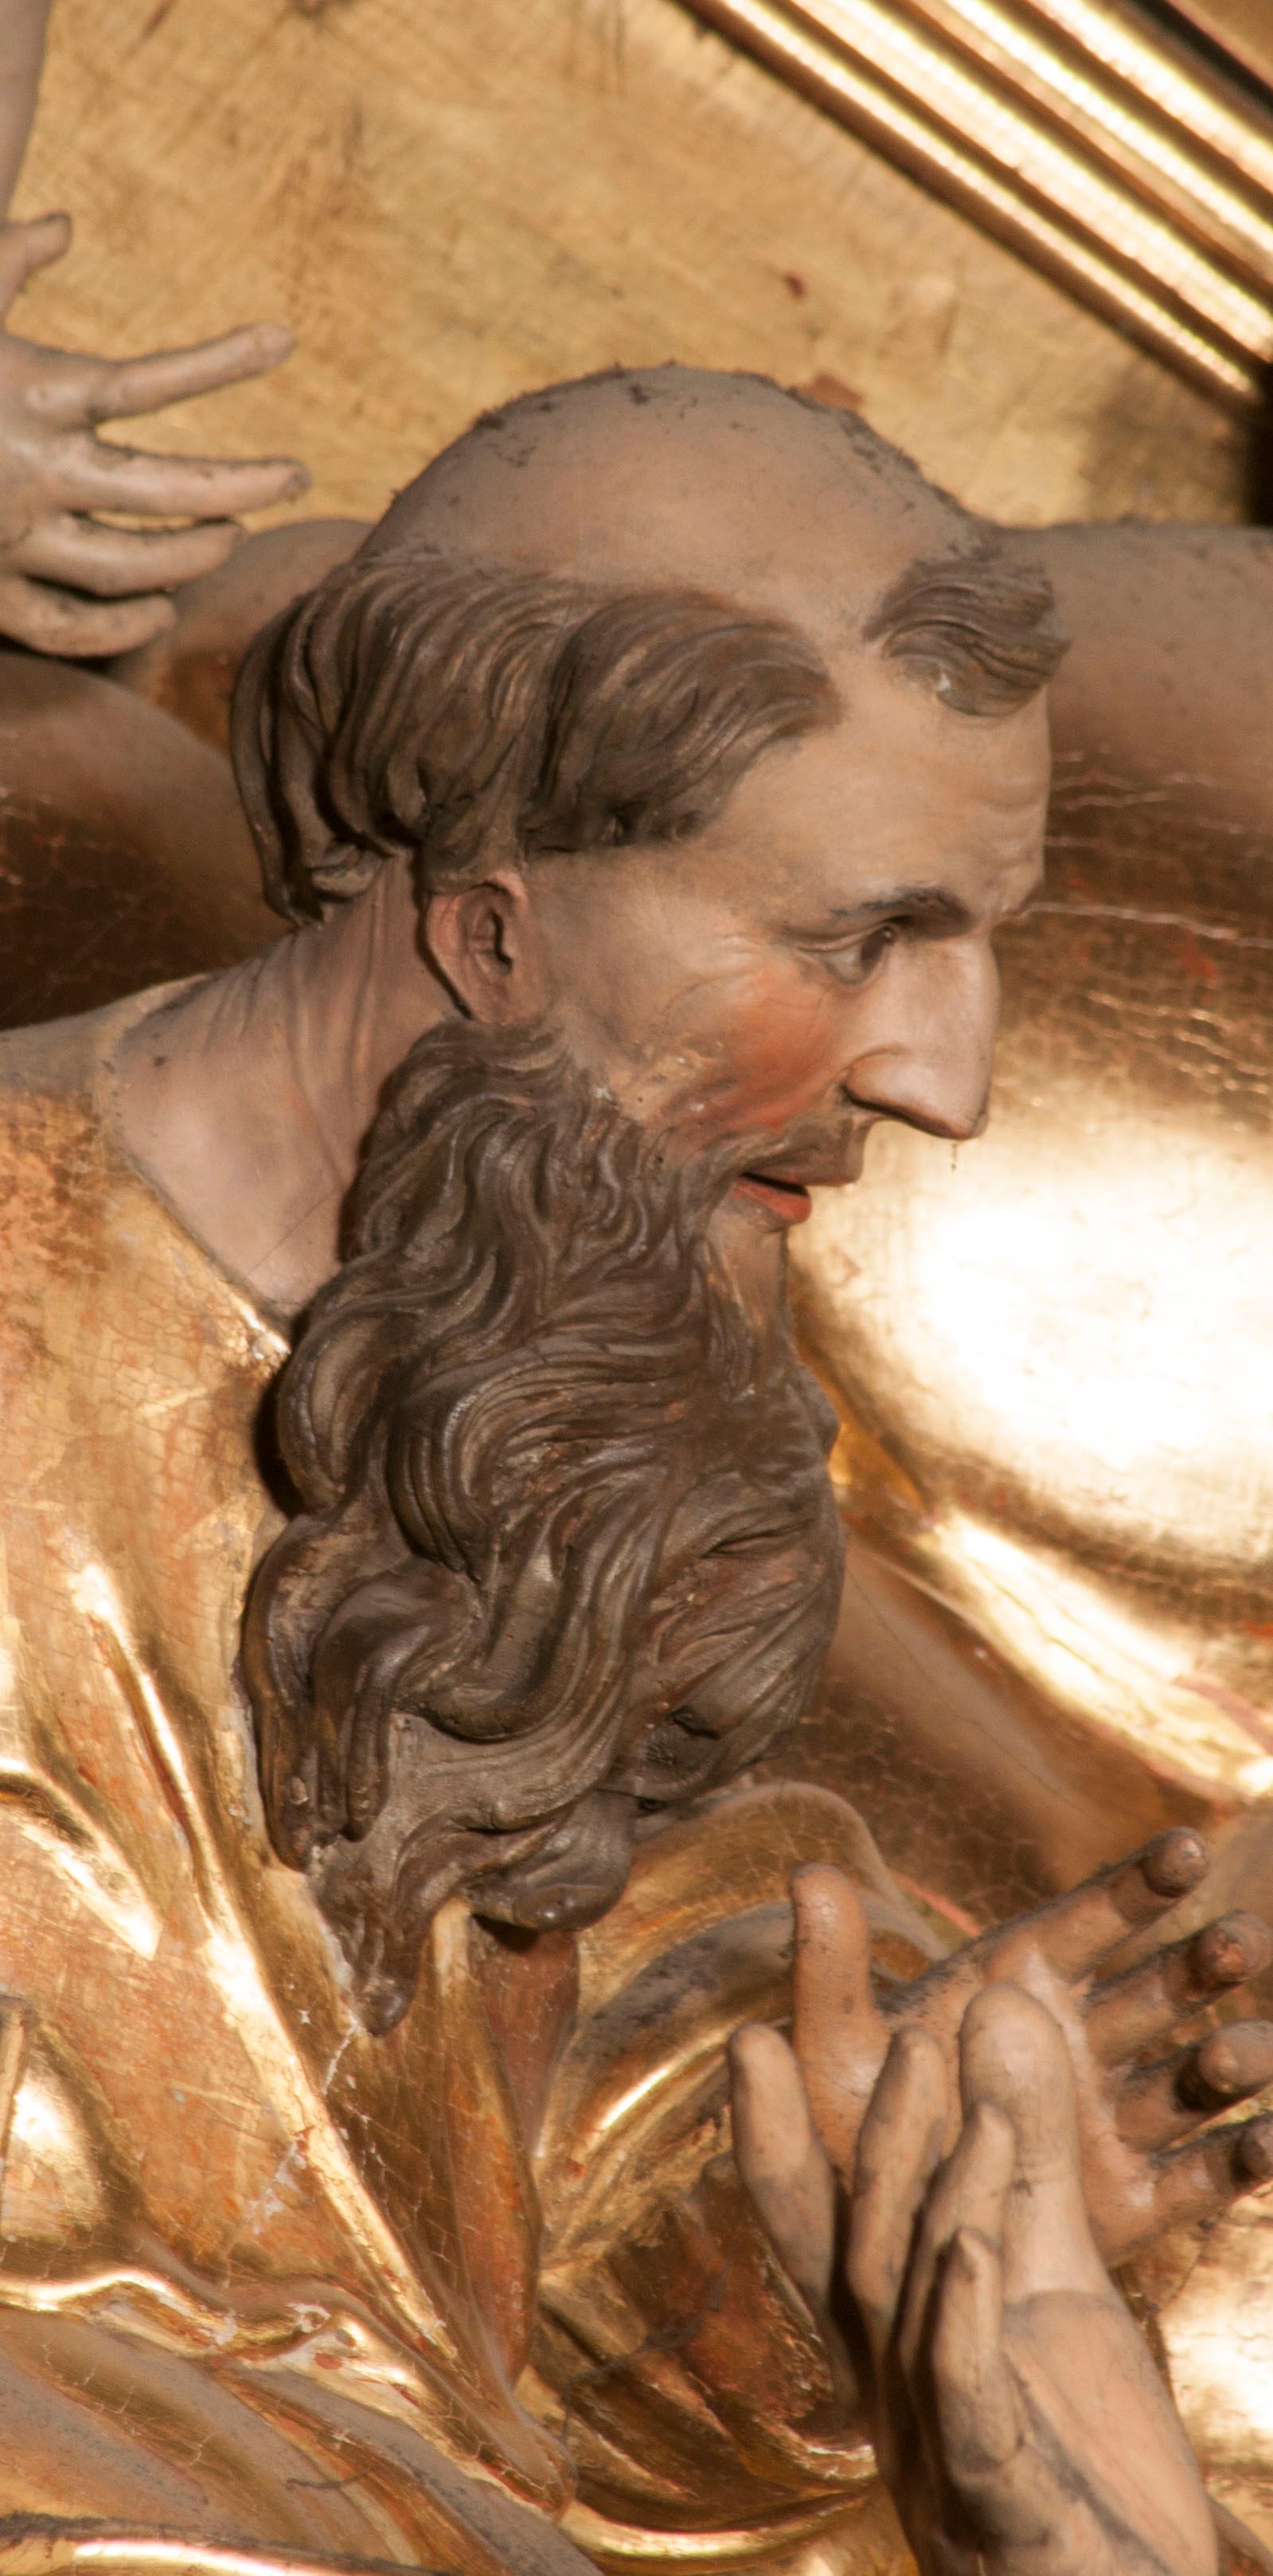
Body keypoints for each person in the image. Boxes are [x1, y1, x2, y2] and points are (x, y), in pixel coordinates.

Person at [2, 361, 1271, 2571]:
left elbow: (446, 2327)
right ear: (490, 926)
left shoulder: (563, 1417)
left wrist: (819, 2265)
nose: (947, 1081)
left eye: (980, 939)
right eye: (859, 941)